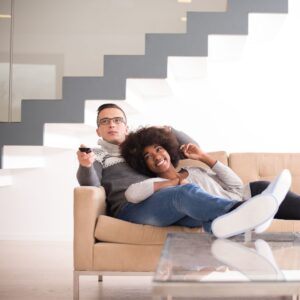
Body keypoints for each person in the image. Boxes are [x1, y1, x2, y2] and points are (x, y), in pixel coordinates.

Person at [77, 104, 291, 238]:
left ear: (126, 126)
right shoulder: (98, 154)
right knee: (183, 192)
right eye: (105, 122)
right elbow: (91, 184)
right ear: (98, 130)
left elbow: (189, 147)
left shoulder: (141, 149)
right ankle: (246, 210)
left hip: (159, 200)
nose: (111, 125)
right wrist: (86, 166)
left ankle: (224, 226)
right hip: (130, 207)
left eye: (117, 120)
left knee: (195, 210)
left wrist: (170, 131)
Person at [120, 126, 300, 235]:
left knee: (262, 187)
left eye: (158, 149)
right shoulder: (159, 187)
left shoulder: (194, 170)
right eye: (148, 156)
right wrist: (174, 183)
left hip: (239, 198)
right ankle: (251, 212)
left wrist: (203, 157)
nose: (156, 156)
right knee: (186, 191)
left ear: (168, 150)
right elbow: (132, 194)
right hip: (219, 212)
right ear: (144, 165)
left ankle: (259, 209)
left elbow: (236, 186)